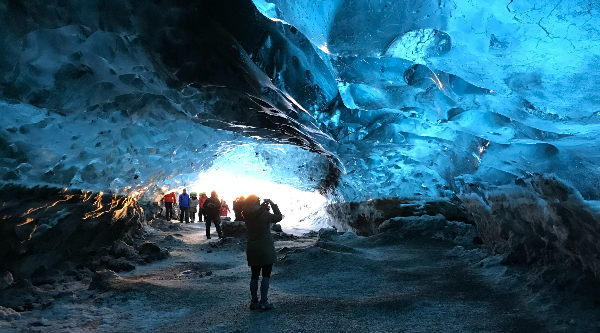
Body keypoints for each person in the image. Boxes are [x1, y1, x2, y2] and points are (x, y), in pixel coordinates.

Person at [242, 195, 282, 310]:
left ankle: (254, 302)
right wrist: (273, 204)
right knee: (266, 275)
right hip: (266, 247)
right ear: (257, 202)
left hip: (252, 247)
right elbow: (278, 217)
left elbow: (255, 214)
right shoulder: (264, 214)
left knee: (254, 275)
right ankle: (263, 301)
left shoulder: (245, 213)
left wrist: (262, 209)